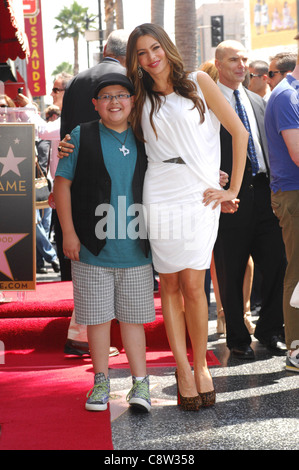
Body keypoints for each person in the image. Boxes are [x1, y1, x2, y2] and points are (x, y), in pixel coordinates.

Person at [124, 24, 248, 410]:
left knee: (195, 286)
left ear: (167, 48)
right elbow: (110, 128)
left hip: (198, 196)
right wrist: (70, 144)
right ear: (136, 61)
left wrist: (232, 189)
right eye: (141, 53)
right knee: (171, 287)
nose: (150, 58)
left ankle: (200, 366)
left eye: (154, 48)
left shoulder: (198, 82)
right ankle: (181, 369)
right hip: (159, 192)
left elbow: (239, 133)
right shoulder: (139, 97)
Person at [53, 67, 155, 412]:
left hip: (136, 247)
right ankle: (100, 383)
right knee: (96, 320)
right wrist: (68, 232)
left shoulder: (146, 135)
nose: (115, 102)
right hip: (91, 248)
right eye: (107, 97)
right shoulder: (80, 136)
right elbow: (62, 185)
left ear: (133, 101)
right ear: (95, 104)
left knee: (133, 320)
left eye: (122, 95)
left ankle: (140, 383)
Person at [58, 29, 129, 358]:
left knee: (89, 255)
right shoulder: (127, 80)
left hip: (78, 176)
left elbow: (65, 134)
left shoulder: (74, 80)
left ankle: (79, 333)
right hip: (116, 175)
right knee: (108, 259)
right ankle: (85, 334)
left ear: (105, 49)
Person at [213, 40, 287, 360]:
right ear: (218, 64)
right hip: (229, 198)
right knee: (231, 268)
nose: (242, 65)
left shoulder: (258, 101)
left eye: (244, 59)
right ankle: (237, 337)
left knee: (277, 263)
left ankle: (271, 329)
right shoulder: (206, 102)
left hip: (264, 195)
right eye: (234, 60)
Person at [264, 33, 299, 372]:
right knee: (297, 270)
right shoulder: (286, 95)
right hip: (292, 193)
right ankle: (295, 349)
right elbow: (297, 153)